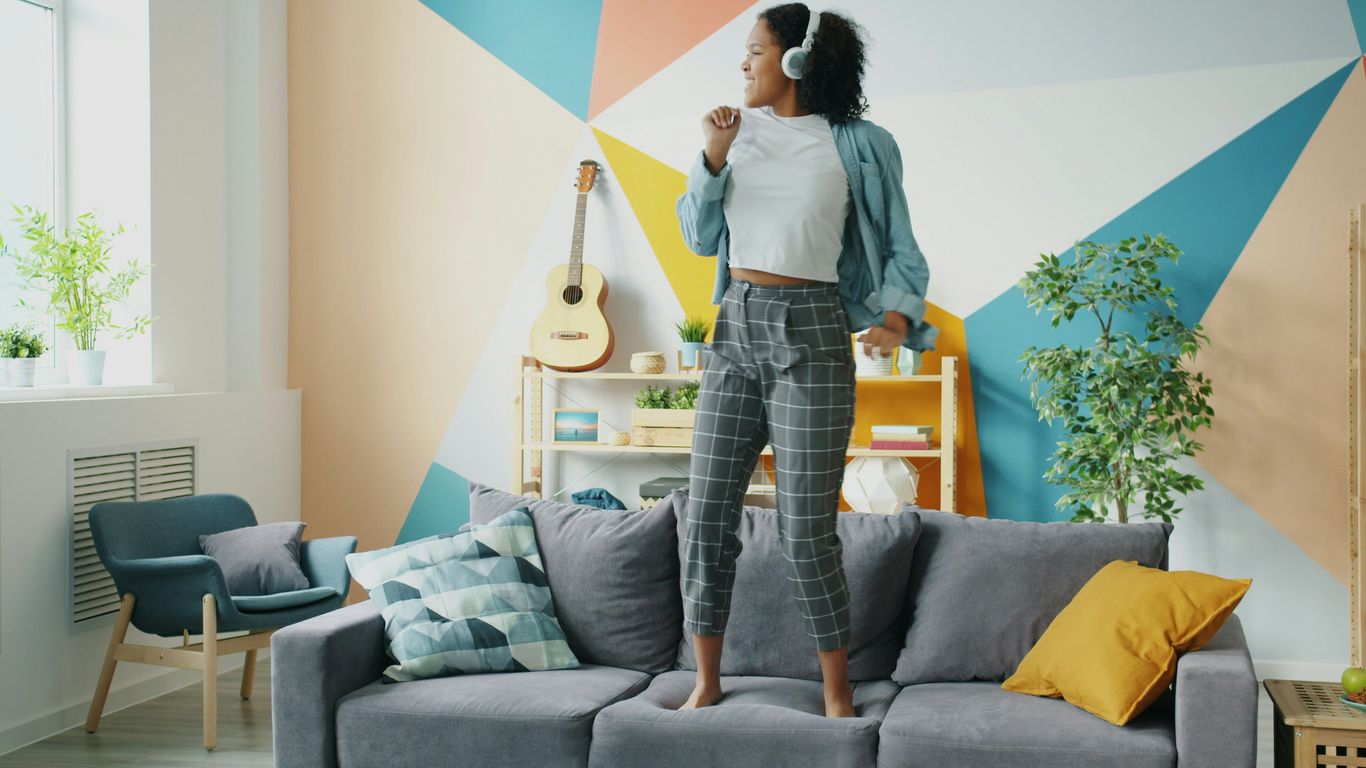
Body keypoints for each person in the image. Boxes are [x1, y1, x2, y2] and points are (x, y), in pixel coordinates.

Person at [674, 3, 937, 719]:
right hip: (738, 327)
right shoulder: (733, 134)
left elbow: (901, 243)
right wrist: (712, 157)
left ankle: (836, 688)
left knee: (805, 530)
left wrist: (893, 316)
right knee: (705, 516)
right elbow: (699, 236)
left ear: (796, 60)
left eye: (755, 51)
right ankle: (706, 680)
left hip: (816, 332)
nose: (745, 64)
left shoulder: (859, 144)